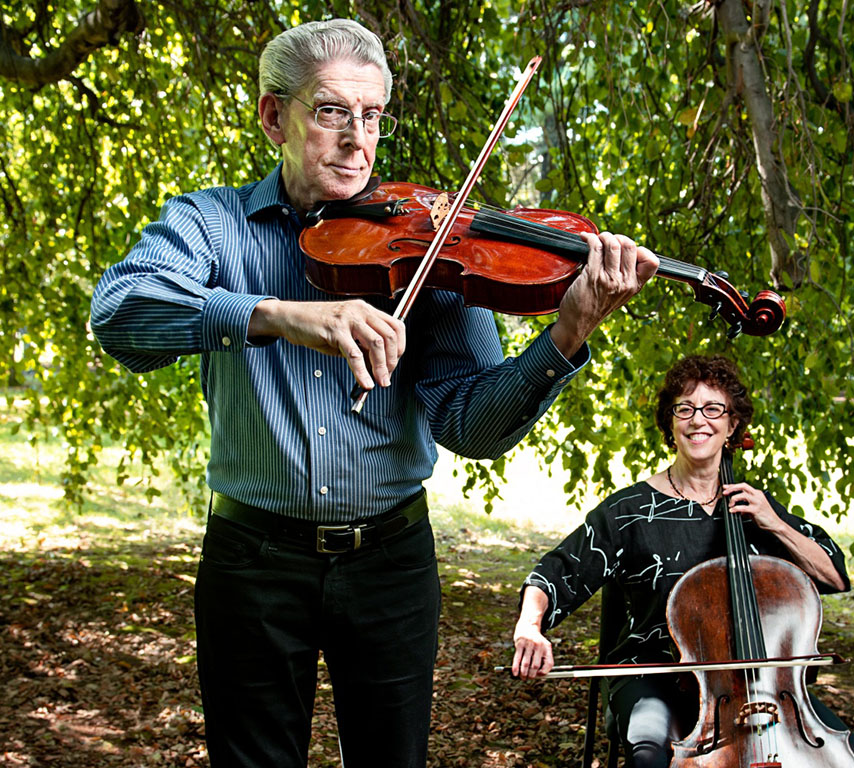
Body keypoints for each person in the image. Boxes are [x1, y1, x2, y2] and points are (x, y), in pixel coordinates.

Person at [89, 18, 658, 768]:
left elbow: (471, 427)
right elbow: (121, 315)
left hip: (390, 560)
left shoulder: (428, 235)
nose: (358, 140)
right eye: (332, 112)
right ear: (273, 117)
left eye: (372, 116)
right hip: (252, 557)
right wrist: (278, 316)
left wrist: (564, 338)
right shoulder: (211, 225)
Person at [511, 355, 854, 768]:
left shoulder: (754, 508)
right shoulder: (629, 512)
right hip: (653, 677)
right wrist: (529, 627)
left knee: (852, 759)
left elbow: (834, 576)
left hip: (761, 687)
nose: (699, 420)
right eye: (685, 408)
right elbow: (556, 572)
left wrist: (777, 526)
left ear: (732, 425)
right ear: (671, 423)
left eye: (713, 409)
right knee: (650, 756)